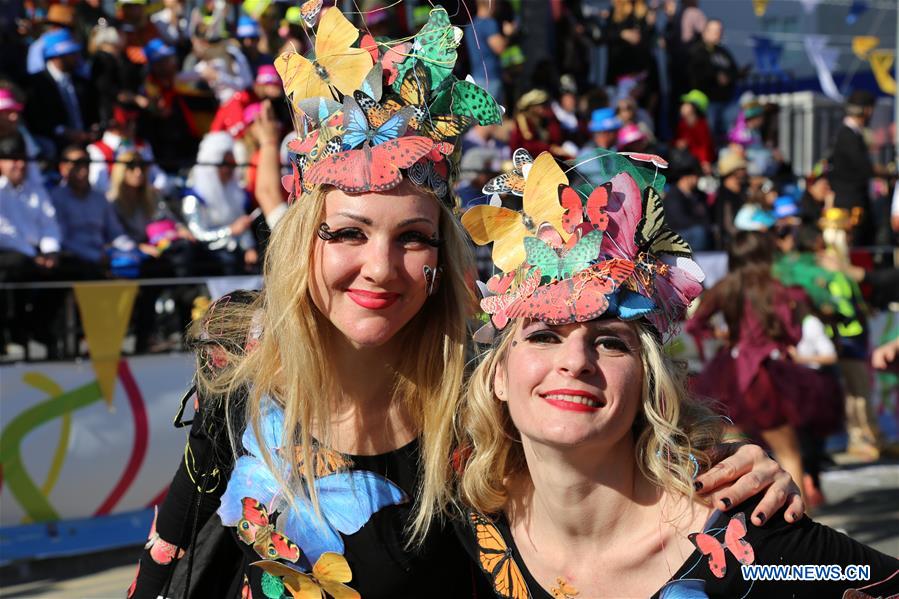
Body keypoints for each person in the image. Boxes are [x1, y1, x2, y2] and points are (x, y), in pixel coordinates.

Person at [128, 9, 798, 599]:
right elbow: (173, 555)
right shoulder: (243, 373)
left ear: (442, 260)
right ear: (306, 243)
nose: (380, 268)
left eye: (413, 238)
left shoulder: (486, 414)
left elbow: (627, 491)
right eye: (348, 232)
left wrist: (743, 479)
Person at [456, 153, 898, 599]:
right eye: (545, 336)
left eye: (611, 342)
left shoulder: (754, 548)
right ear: (497, 375)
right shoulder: (454, 537)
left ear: (648, 378)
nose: (576, 361)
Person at [688, 231, 845, 497]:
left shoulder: (727, 286)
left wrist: (723, 335)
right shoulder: (778, 289)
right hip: (769, 374)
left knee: (729, 455)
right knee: (788, 453)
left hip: (731, 373)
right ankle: (799, 524)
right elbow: (792, 333)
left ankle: (730, 522)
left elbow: (695, 324)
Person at [50, 144, 135, 277]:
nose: (83, 170)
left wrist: (132, 250)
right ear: (63, 168)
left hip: (104, 259)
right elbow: (62, 240)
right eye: (77, 164)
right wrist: (95, 257)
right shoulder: (55, 198)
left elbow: (116, 233)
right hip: (74, 262)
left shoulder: (100, 198)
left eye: (86, 164)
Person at [181, 132, 257, 275]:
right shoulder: (194, 198)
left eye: (232, 164)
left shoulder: (234, 191)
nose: (229, 170)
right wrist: (229, 231)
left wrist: (249, 248)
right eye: (224, 164)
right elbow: (198, 234)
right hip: (211, 261)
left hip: (236, 255)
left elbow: (241, 221)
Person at [25, 28, 99, 153]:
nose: (77, 57)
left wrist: (93, 128)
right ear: (57, 57)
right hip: (55, 143)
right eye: (71, 54)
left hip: (86, 142)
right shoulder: (36, 83)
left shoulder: (81, 82)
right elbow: (36, 119)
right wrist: (64, 132)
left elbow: (92, 112)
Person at [829, 90, 878, 246]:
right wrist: (884, 172)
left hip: (853, 201)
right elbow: (863, 167)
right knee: (854, 243)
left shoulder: (850, 134)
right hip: (850, 203)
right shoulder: (848, 135)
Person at [688, 19, 739, 143]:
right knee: (709, 135)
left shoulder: (723, 52)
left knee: (732, 128)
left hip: (726, 101)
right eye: (715, 31)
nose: (718, 34)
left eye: (720, 31)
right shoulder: (696, 50)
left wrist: (728, 77)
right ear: (705, 32)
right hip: (706, 101)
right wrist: (715, 76)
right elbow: (694, 75)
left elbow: (734, 71)